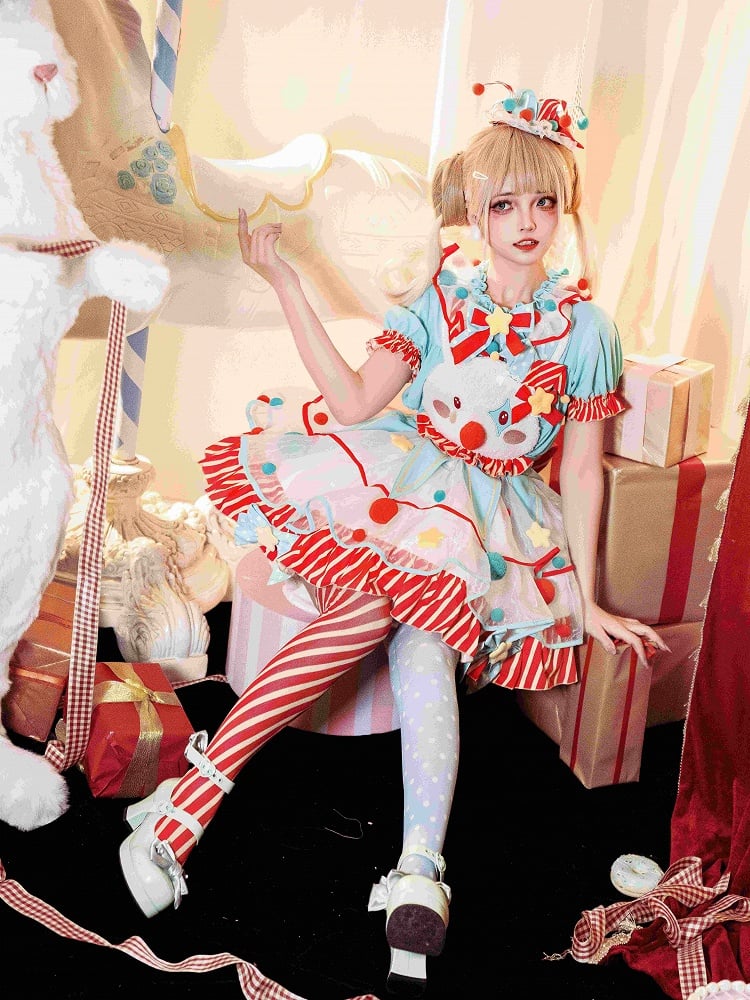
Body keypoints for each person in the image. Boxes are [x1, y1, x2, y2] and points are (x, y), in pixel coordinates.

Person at [118, 82, 667, 994]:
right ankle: (201, 800)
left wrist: (588, 592)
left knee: (426, 646)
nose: (526, 223)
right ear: (475, 212)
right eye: (504, 205)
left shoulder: (587, 331)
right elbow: (351, 402)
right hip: (401, 482)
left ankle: (414, 869)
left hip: (491, 520)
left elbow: (579, 469)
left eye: (543, 202)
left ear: (564, 208)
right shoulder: (439, 295)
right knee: (380, 611)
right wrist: (286, 283)